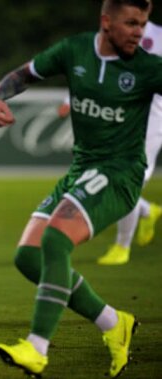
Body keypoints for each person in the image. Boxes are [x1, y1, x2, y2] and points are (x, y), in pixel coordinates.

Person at [0, 0, 162, 377]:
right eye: (131, 23)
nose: (139, 32)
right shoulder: (74, 50)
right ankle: (115, 323)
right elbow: (27, 73)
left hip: (120, 174)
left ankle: (37, 348)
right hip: (82, 168)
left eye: (143, 23)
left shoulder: (148, 68)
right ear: (105, 22)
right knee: (28, 257)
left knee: (55, 241)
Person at [58, 21, 162, 265]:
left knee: (122, 183)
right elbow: (93, 68)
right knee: (105, 179)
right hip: (117, 119)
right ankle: (147, 211)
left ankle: (122, 247)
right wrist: (69, 96)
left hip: (151, 122)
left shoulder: (158, 37)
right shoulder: (113, 34)